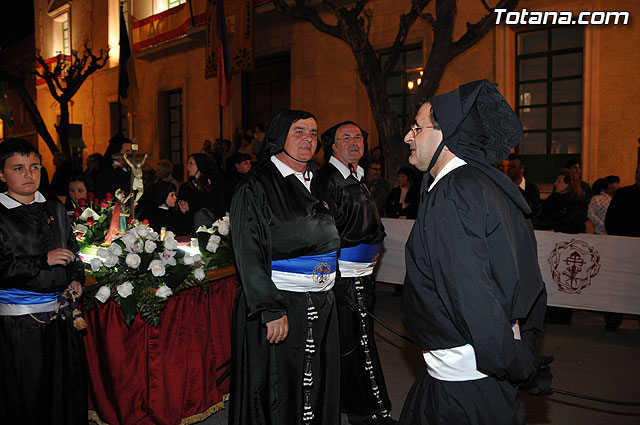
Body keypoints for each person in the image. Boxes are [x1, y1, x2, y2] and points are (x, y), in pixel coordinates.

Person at [398, 80, 550, 425]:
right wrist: (520, 352)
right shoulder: (480, 184)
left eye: (416, 128)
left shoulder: (454, 194)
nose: (408, 137)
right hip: (475, 366)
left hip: (467, 378)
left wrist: (513, 365)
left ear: (445, 135)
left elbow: (471, 295)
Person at [229, 109, 341, 425]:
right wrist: (270, 308)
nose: (308, 139)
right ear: (280, 136)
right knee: (279, 389)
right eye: (299, 131)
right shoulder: (257, 185)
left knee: (316, 380)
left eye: (313, 132)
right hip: (281, 303)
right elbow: (247, 251)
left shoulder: (318, 181)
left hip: (319, 301)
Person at [0, 138, 87, 424]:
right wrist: (42, 260)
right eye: (18, 168)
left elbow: (73, 251)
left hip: (61, 318)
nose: (29, 175)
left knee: (65, 393)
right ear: (2, 175)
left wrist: (75, 277)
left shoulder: (55, 207)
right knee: (29, 396)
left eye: (34, 167)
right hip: (20, 326)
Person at [315, 121, 394, 425]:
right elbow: (324, 232)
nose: (353, 142)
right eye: (345, 138)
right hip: (345, 278)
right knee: (356, 343)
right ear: (332, 146)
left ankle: (358, 408)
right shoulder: (329, 180)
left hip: (361, 275)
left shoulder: (356, 176)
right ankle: (367, 412)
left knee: (356, 342)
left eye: (357, 137)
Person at [604, 165, 640, 331]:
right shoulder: (623, 194)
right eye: (638, 172)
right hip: (622, 247)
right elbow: (610, 220)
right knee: (617, 285)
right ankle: (613, 320)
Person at [177, 153, 229, 231]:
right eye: (188, 163)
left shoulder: (214, 187)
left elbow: (219, 209)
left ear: (200, 165)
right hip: (190, 230)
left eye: (191, 163)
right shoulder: (185, 188)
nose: (187, 167)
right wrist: (185, 211)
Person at [539, 168, 586, 234]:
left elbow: (573, 224)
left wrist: (555, 229)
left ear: (568, 184)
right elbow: (543, 218)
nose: (555, 183)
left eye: (559, 181)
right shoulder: (552, 199)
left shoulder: (576, 201)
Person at [508, 153, 542, 228]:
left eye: (513, 167)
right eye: (508, 166)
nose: (509, 170)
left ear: (522, 169)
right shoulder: (504, 187)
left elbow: (536, 214)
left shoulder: (532, 189)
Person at [96, 134, 133, 199]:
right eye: (127, 151)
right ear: (117, 153)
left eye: (131, 151)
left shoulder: (132, 170)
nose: (131, 154)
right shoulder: (107, 173)